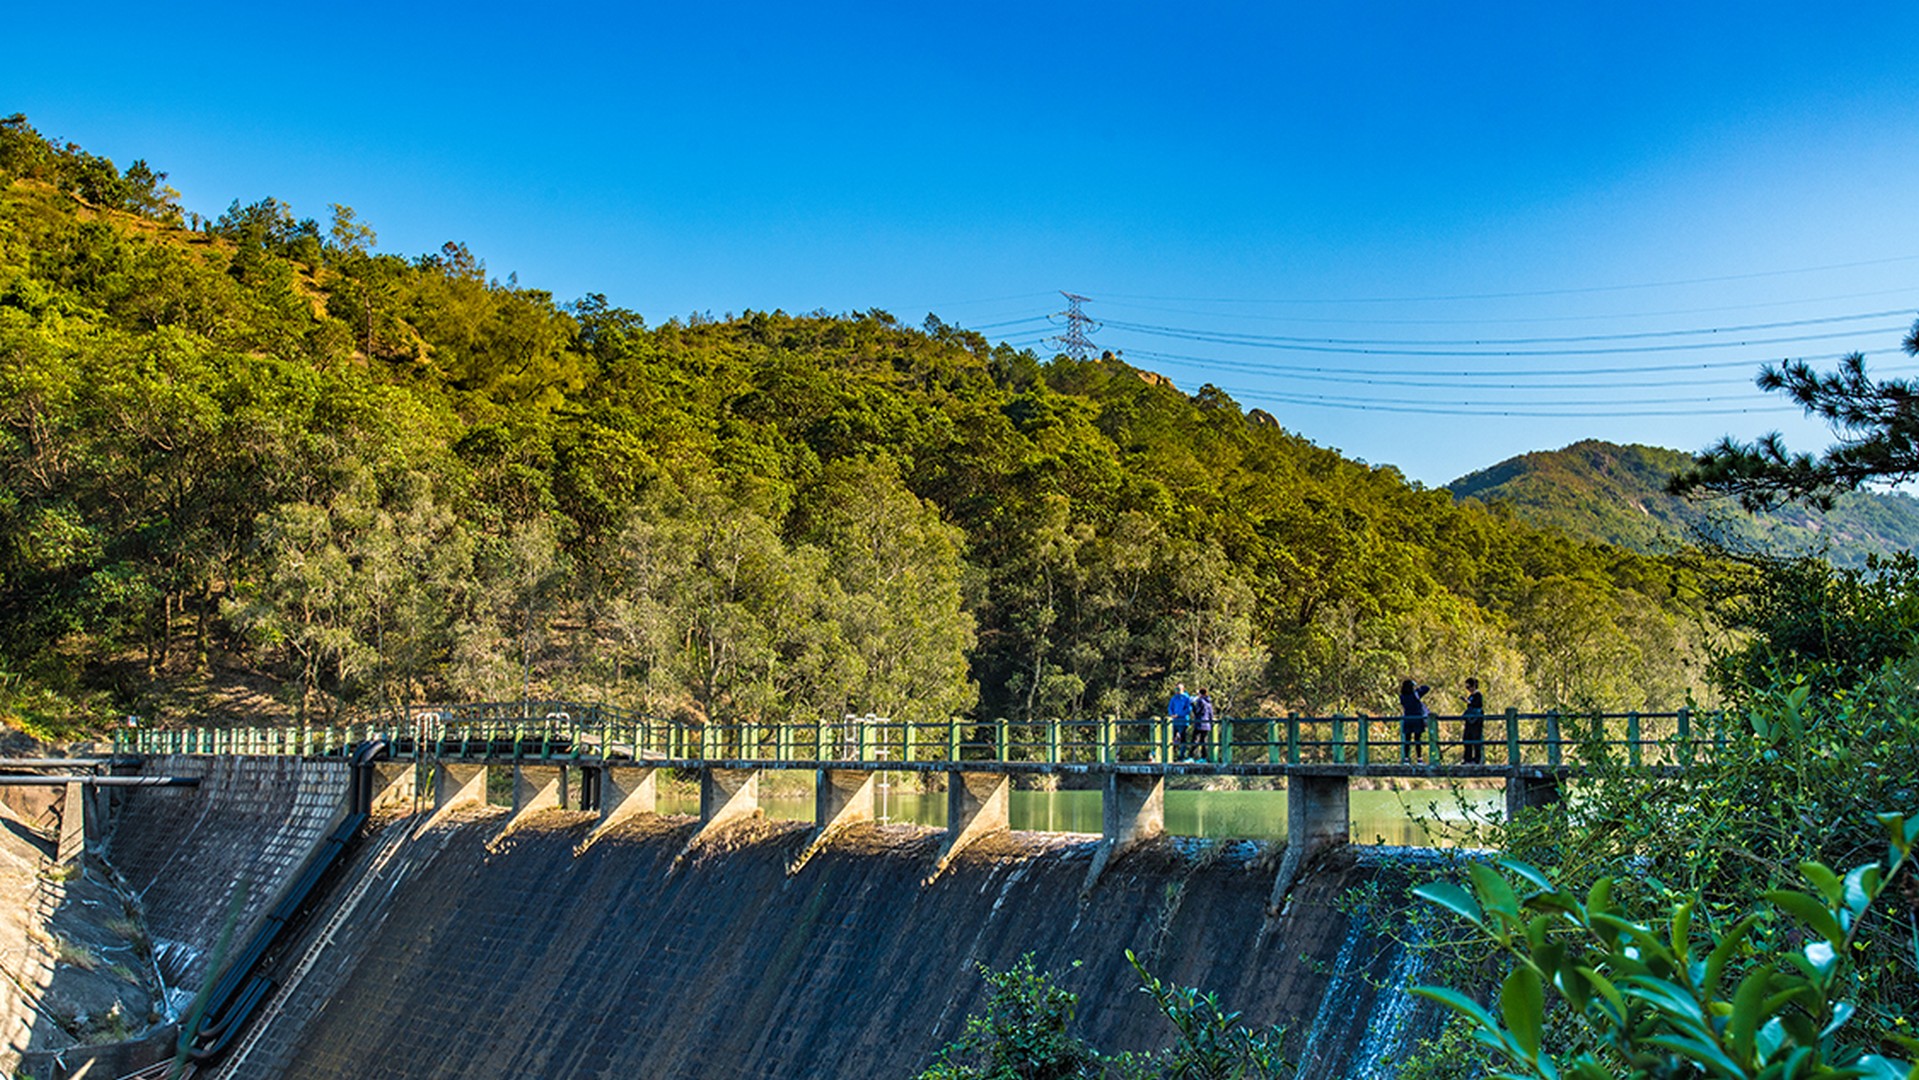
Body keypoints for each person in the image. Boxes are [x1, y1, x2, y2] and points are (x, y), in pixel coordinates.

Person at [1398, 678, 1430, 763]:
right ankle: (1419, 759)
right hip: (1417, 719)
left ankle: (1406, 759)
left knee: (1407, 740)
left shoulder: (1402, 697)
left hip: (1407, 719)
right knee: (1417, 740)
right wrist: (1417, 687)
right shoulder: (1416, 694)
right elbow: (1427, 688)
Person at [1461, 677, 1486, 764]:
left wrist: (1468, 702)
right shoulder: (1471, 696)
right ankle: (1467, 758)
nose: (1468, 689)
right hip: (1470, 719)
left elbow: (1478, 704)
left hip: (1476, 720)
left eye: (1469, 687)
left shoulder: (1478, 695)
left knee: (1476, 739)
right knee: (1467, 738)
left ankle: (1477, 759)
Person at [1168, 683, 1193, 761]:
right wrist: (1172, 714)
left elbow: (1188, 709)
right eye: (1176, 689)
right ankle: (1171, 756)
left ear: (1183, 689)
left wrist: (1178, 715)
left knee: (1183, 739)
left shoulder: (1186, 698)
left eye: (1178, 689)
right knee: (1171, 739)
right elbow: (1170, 707)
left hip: (1183, 721)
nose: (1177, 691)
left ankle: (1181, 756)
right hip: (1174, 722)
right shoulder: (1174, 698)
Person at [1191, 688, 1216, 762]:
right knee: (1204, 741)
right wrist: (1211, 723)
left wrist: (1192, 705)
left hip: (1199, 724)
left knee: (1195, 740)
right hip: (1206, 725)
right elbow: (1211, 714)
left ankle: (1191, 756)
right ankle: (1203, 757)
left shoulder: (1200, 701)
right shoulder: (1208, 702)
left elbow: (1197, 712)